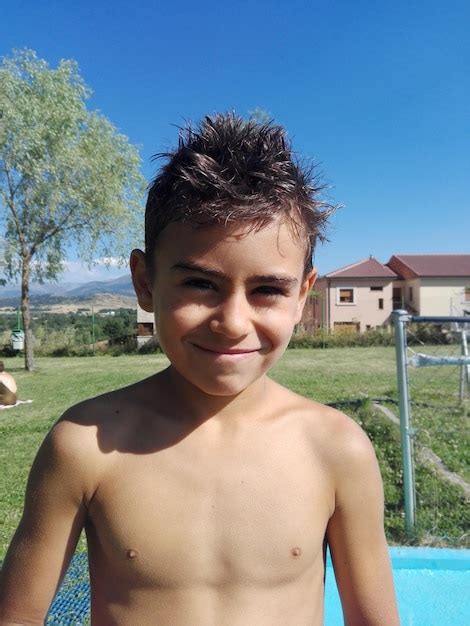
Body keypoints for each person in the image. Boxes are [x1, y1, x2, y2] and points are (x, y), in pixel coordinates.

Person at [0, 114, 399, 625]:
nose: (232, 323)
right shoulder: (83, 445)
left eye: (268, 290)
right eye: (200, 285)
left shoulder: (337, 450)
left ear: (302, 295)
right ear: (145, 282)